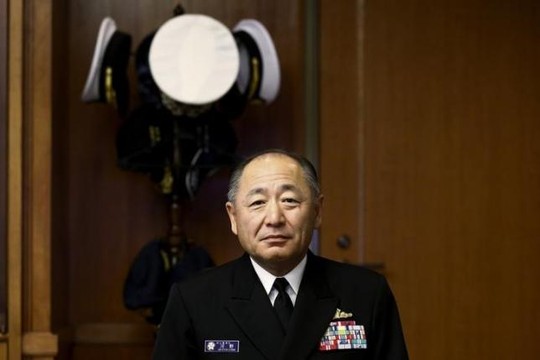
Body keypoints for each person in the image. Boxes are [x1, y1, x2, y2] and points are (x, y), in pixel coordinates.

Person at [152, 149, 409, 359]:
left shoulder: (367, 293)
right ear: (233, 217)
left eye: (290, 201)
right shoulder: (194, 299)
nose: (274, 218)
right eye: (257, 203)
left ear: (317, 211)